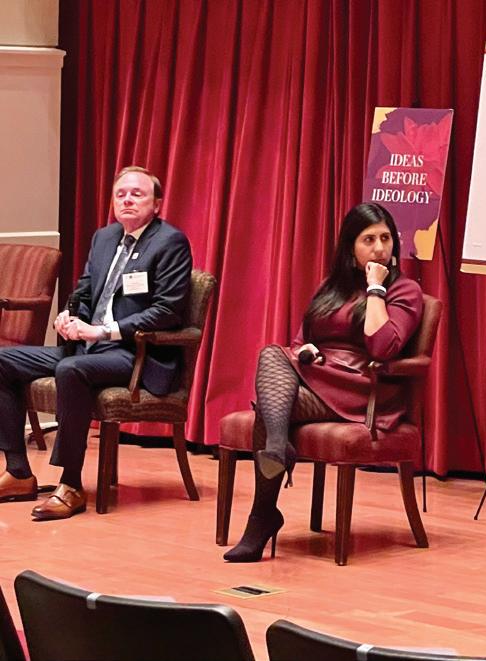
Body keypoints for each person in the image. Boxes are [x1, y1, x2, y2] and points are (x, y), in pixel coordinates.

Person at [224, 202, 424, 563]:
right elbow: (300, 340)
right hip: (320, 378)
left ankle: (263, 511)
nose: (380, 248)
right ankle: (275, 458)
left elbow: (383, 346)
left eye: (385, 238)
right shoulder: (330, 287)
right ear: (350, 246)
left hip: (363, 388)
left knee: (270, 407)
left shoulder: (404, 290)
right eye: (368, 240)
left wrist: (375, 288)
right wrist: (306, 351)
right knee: (272, 356)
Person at [0, 165, 192, 520]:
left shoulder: (169, 242)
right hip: (88, 347)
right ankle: (18, 472)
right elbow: (85, 291)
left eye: (137, 194)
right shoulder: (105, 238)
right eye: (121, 194)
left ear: (156, 204)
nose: (127, 200)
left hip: (135, 353)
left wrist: (104, 331)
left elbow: (167, 311)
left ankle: (71, 484)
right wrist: (68, 315)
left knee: (71, 369)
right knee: (3, 361)